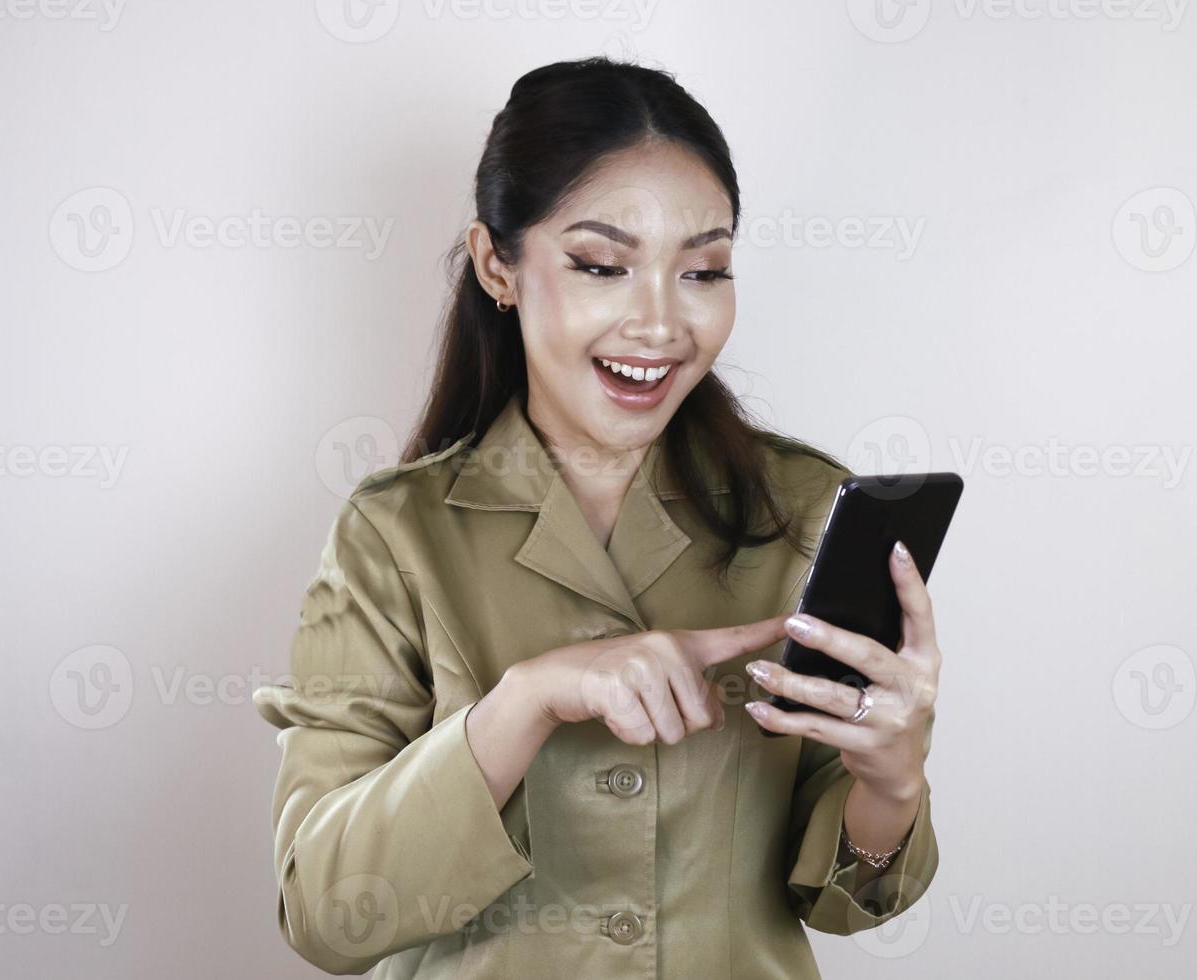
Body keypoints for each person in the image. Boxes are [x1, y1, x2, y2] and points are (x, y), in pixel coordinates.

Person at [254, 56, 943, 979]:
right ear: (498, 264)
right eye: (602, 265)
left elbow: (842, 898)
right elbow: (325, 911)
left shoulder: (804, 513)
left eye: (703, 271)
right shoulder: (393, 537)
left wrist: (892, 782)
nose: (661, 325)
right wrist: (528, 699)